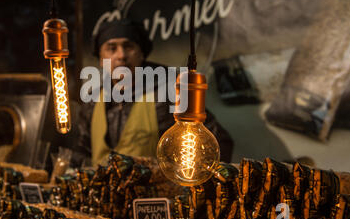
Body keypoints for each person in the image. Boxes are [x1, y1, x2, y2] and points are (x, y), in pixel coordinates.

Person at [73, 18, 233, 167]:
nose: (121, 56)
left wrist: (186, 183)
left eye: (128, 47)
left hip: (157, 196)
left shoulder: (169, 94)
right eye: (111, 48)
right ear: (101, 58)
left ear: (141, 54)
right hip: (102, 196)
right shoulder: (92, 103)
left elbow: (218, 141)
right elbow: (82, 152)